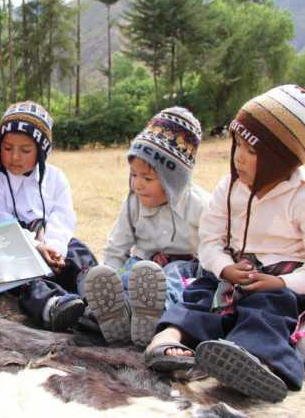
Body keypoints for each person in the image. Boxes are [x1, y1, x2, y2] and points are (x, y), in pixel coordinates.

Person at [145, 85, 305, 403]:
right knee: (200, 295)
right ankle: (169, 337)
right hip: (230, 274)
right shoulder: (228, 187)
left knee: (267, 311)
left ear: (280, 158)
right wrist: (223, 267)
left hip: (277, 282)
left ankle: (256, 360)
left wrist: (280, 281)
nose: (238, 157)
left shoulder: (300, 195)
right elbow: (209, 239)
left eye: (252, 150)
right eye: (238, 145)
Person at [84, 107, 209, 347]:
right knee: (127, 275)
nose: (137, 184)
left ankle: (155, 314)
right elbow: (117, 247)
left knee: (172, 280)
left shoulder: (200, 205)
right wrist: (110, 272)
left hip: (183, 266)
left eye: (147, 178)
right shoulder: (132, 202)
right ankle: (117, 313)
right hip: (142, 262)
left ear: (174, 181)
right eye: (133, 175)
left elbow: (210, 250)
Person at [0, 101, 97, 331]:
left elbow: (62, 217)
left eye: (25, 150)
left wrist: (54, 248)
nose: (15, 156)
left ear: (41, 151)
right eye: (7, 148)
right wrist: (36, 247)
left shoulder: (56, 178)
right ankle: (53, 306)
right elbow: (2, 223)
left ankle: (95, 295)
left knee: (77, 251)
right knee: (18, 279)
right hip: (19, 250)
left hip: (55, 248)